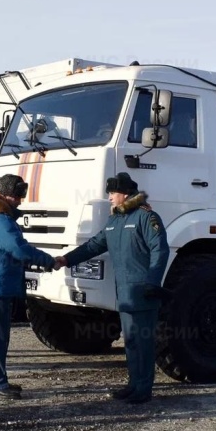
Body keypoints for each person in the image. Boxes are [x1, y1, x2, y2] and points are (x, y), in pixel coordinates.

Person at [56, 172, 169, 405]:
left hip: (143, 291)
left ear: (124, 194)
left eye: (112, 193)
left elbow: (160, 250)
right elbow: (94, 245)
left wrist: (153, 281)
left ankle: (144, 389)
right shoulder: (115, 220)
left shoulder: (146, 217)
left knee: (143, 342)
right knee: (130, 341)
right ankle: (134, 384)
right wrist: (67, 259)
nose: (109, 197)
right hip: (125, 294)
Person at [0, 174, 59, 400]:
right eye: (17, 195)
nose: (20, 200)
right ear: (3, 195)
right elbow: (19, 249)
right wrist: (49, 260)